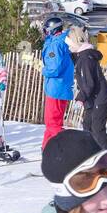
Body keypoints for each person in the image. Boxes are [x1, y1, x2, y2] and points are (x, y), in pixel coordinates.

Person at [70, 24, 107, 150]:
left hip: (100, 98)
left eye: (70, 43)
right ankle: (90, 153)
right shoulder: (83, 57)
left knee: (97, 129)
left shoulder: (85, 59)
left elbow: (89, 84)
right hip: (92, 99)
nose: (69, 46)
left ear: (77, 42)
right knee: (87, 126)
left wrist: (80, 98)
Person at [40, 16, 75, 148]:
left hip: (56, 88)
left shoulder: (55, 45)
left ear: (53, 30)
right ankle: (47, 147)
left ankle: (69, 146)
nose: (45, 33)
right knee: (52, 122)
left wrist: (43, 70)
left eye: (47, 30)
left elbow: (54, 68)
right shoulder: (60, 41)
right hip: (60, 87)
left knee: (52, 123)